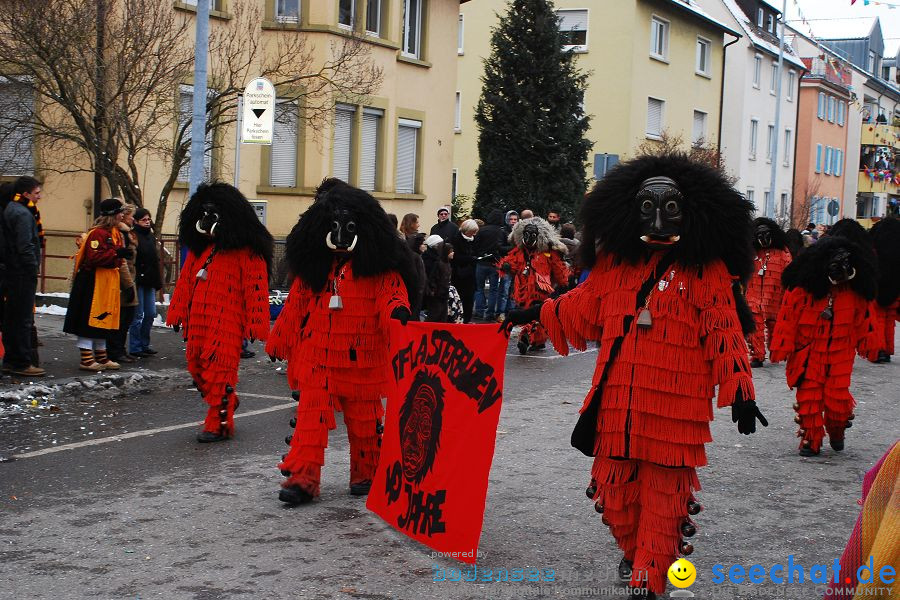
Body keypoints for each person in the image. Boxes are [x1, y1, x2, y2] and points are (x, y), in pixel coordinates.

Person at [505, 154, 764, 598]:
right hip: (618, 406)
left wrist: (741, 392)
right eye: (648, 208)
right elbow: (580, 307)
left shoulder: (707, 272)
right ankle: (638, 550)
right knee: (616, 496)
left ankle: (650, 576)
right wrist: (532, 312)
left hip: (677, 413)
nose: (660, 221)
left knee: (664, 503)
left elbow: (725, 332)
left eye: (671, 209)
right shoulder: (615, 267)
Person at [267, 179, 417, 505]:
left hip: (364, 360)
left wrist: (400, 316)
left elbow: (391, 300)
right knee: (310, 419)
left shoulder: (379, 272)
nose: (339, 236)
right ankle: (303, 479)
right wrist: (279, 337)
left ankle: (366, 472)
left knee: (365, 422)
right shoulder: (316, 270)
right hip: (319, 357)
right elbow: (295, 306)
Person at [166, 183, 272, 443]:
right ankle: (228, 401)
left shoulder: (247, 252)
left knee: (220, 372)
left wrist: (256, 324)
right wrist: (178, 311)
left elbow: (255, 289)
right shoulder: (199, 251)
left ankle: (219, 423)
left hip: (228, 322)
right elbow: (185, 283)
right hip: (198, 322)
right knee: (196, 367)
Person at [770, 236, 878, 457]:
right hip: (807, 352)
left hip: (841, 352)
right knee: (809, 396)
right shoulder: (802, 289)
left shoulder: (856, 292)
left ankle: (837, 430)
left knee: (837, 398)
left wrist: (868, 344)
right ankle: (811, 438)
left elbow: (864, 320)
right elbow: (787, 318)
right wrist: (782, 346)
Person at [63, 198, 131, 371]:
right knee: (90, 318)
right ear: (113, 215)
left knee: (103, 318)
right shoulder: (98, 234)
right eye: (120, 212)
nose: (122, 215)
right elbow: (94, 258)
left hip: (106, 282)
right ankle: (86, 359)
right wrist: (117, 253)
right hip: (92, 282)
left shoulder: (113, 233)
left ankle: (102, 356)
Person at [499, 217, 569, 354]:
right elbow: (512, 262)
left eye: (532, 235)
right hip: (522, 289)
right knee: (529, 313)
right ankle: (537, 340)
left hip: (541, 289)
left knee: (537, 313)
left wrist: (563, 283)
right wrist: (505, 266)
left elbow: (558, 268)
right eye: (526, 234)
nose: (528, 238)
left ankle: (526, 336)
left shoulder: (549, 252)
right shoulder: (521, 251)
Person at [1, 176, 45, 376]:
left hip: (13, 270)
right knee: (22, 318)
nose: (39, 197)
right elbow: (25, 245)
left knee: (13, 317)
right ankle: (21, 361)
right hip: (21, 272)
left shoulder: (12, 209)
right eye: (37, 193)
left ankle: (14, 359)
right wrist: (32, 267)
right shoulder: (23, 213)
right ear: (26, 193)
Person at [745, 218, 792, 368]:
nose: (763, 238)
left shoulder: (782, 253)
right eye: (760, 235)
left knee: (775, 325)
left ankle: (775, 350)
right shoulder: (751, 254)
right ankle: (757, 355)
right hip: (754, 295)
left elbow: (790, 273)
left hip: (775, 295)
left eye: (766, 234)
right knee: (753, 325)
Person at [106, 204, 138, 363]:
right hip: (123, 280)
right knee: (122, 318)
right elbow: (122, 261)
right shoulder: (120, 234)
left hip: (128, 278)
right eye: (131, 215)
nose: (133, 218)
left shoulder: (127, 233)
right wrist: (128, 285)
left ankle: (119, 349)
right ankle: (115, 350)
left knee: (126, 317)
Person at [865, 218, 900, 363]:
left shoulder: (874, 246)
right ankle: (887, 349)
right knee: (889, 320)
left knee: (877, 318)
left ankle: (878, 349)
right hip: (895, 286)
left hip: (878, 285)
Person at [129, 208, 162, 357]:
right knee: (138, 315)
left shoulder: (150, 236)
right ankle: (135, 346)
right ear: (136, 221)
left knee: (151, 313)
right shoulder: (134, 236)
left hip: (149, 279)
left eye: (148, 219)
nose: (147, 222)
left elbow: (154, 260)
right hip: (139, 280)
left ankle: (144, 343)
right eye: (144, 220)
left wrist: (157, 280)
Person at [472, 209, 507, 320]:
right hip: (495, 263)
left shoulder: (482, 230)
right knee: (493, 290)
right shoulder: (501, 232)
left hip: (481, 262)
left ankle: (479, 311)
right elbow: (504, 248)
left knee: (479, 288)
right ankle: (490, 313)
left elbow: (475, 246)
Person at [450, 219, 478, 323]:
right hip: (459, 274)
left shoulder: (473, 239)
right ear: (466, 230)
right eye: (472, 231)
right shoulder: (456, 239)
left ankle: (467, 319)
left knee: (469, 298)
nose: (474, 234)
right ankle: (459, 318)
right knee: (460, 297)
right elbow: (456, 257)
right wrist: (470, 258)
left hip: (470, 274)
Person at [494, 210, 519, 321]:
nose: (513, 222)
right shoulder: (502, 232)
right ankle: (501, 312)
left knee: (514, 290)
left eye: (515, 219)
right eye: (511, 219)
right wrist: (514, 249)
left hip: (518, 264)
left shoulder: (520, 232)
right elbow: (499, 247)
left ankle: (511, 312)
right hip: (506, 264)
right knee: (504, 289)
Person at [424, 237, 453, 322]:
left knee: (442, 315)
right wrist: (433, 290)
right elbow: (433, 278)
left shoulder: (445, 263)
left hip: (443, 293)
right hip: (437, 293)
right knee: (435, 314)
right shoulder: (438, 263)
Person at [406, 232, 427, 320]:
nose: (424, 246)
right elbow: (416, 277)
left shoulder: (417, 256)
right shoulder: (415, 258)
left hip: (418, 293)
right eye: (422, 244)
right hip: (415, 294)